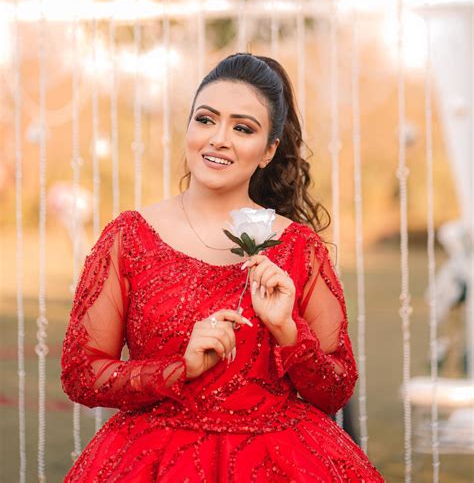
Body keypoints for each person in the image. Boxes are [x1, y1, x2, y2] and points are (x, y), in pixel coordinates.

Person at [61, 53, 385, 481]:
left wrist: (288, 331)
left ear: (268, 150)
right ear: (189, 128)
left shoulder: (298, 248)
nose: (218, 139)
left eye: (242, 128)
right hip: (150, 461)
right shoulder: (129, 238)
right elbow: (82, 374)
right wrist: (178, 368)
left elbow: (335, 390)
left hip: (283, 461)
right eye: (206, 120)